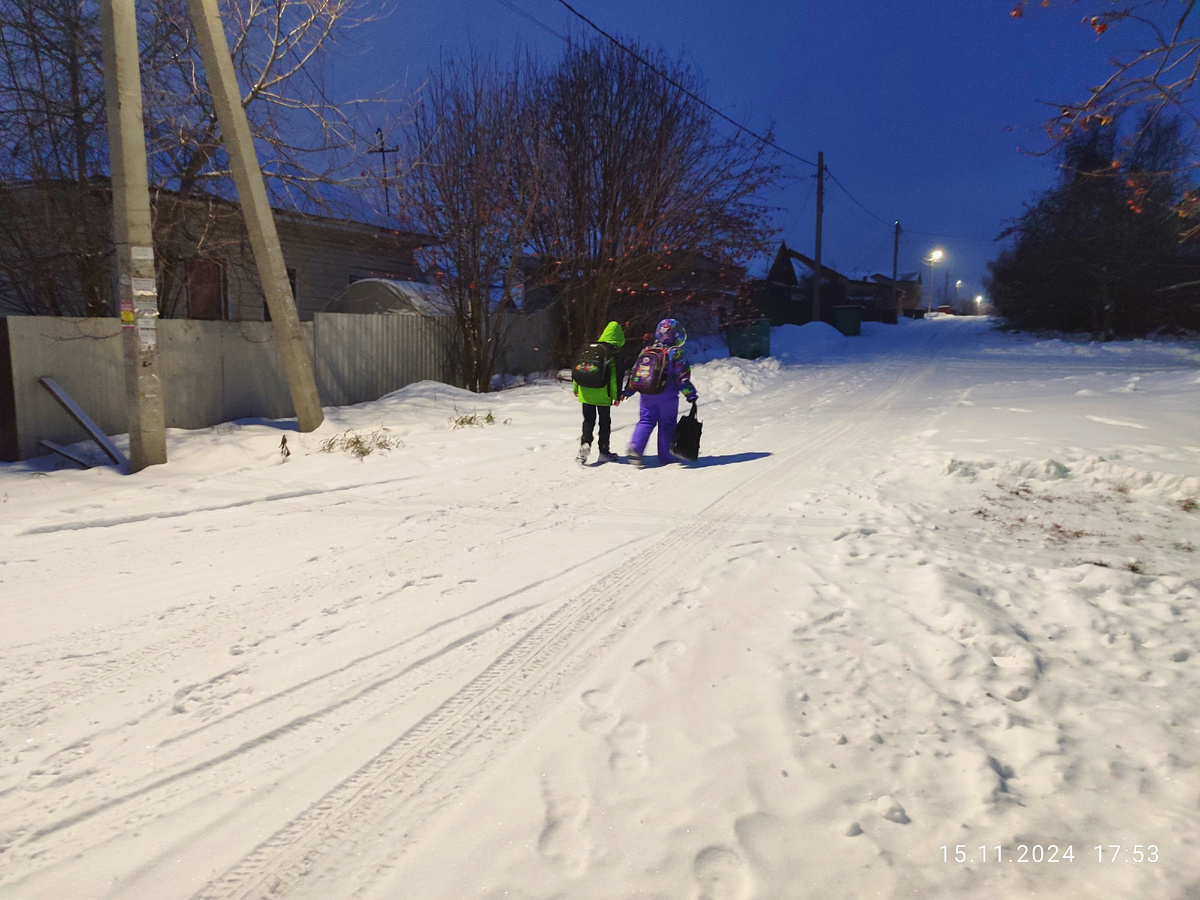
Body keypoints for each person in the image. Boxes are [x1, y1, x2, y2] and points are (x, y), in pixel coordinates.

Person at [623, 317, 698, 468]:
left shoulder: (646, 350)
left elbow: (636, 373)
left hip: (647, 393)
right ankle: (666, 456)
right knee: (667, 424)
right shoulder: (675, 353)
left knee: (645, 420)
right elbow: (682, 377)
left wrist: (628, 390)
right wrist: (690, 394)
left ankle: (636, 448)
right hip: (667, 394)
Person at [573, 320, 626, 464]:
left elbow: (579, 368)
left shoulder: (590, 349)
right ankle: (604, 451)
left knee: (588, 421)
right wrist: (616, 396)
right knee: (604, 422)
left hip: (586, 392)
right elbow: (614, 379)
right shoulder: (611, 353)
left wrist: (576, 388)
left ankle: (585, 444)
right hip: (603, 394)